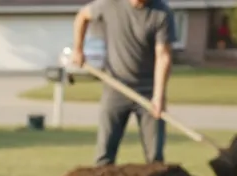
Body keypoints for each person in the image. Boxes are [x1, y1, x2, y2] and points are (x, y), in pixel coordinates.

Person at [70, 0, 177, 166]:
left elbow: (163, 55)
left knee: (155, 156)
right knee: (104, 154)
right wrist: (78, 49)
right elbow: (82, 16)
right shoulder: (109, 4)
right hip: (115, 87)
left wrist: (159, 95)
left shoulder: (161, 13)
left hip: (149, 92)